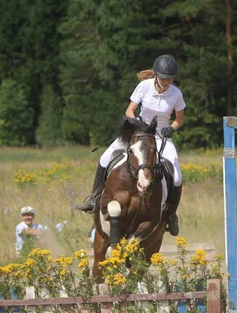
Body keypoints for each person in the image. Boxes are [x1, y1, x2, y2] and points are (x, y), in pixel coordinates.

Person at [75, 55, 185, 236]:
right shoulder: (144, 86)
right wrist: (135, 125)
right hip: (139, 131)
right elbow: (130, 110)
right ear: (156, 75)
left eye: (170, 78)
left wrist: (171, 129)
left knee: (177, 176)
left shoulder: (176, 93)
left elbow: (179, 118)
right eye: (164, 78)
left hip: (160, 135)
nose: (167, 82)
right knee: (105, 157)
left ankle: (171, 214)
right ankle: (94, 198)